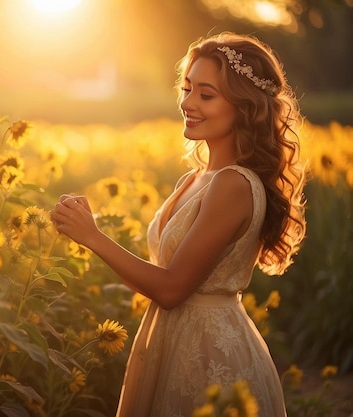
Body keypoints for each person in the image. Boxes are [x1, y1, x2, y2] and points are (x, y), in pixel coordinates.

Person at [50, 31, 306, 416]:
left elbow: (171, 290)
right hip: (170, 340)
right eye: (187, 89)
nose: (188, 103)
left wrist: (93, 237)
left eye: (206, 94)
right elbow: (158, 275)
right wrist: (91, 224)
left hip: (209, 356)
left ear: (244, 106)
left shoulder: (233, 185)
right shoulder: (196, 178)